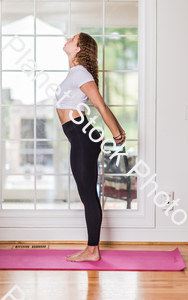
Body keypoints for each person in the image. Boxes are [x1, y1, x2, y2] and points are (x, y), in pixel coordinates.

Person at [55, 32, 126, 262]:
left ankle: (92, 250)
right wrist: (118, 128)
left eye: (72, 38)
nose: (67, 38)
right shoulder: (75, 74)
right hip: (79, 136)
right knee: (87, 193)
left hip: (82, 136)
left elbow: (100, 105)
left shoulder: (80, 73)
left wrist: (116, 132)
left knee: (87, 194)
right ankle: (92, 248)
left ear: (78, 49)